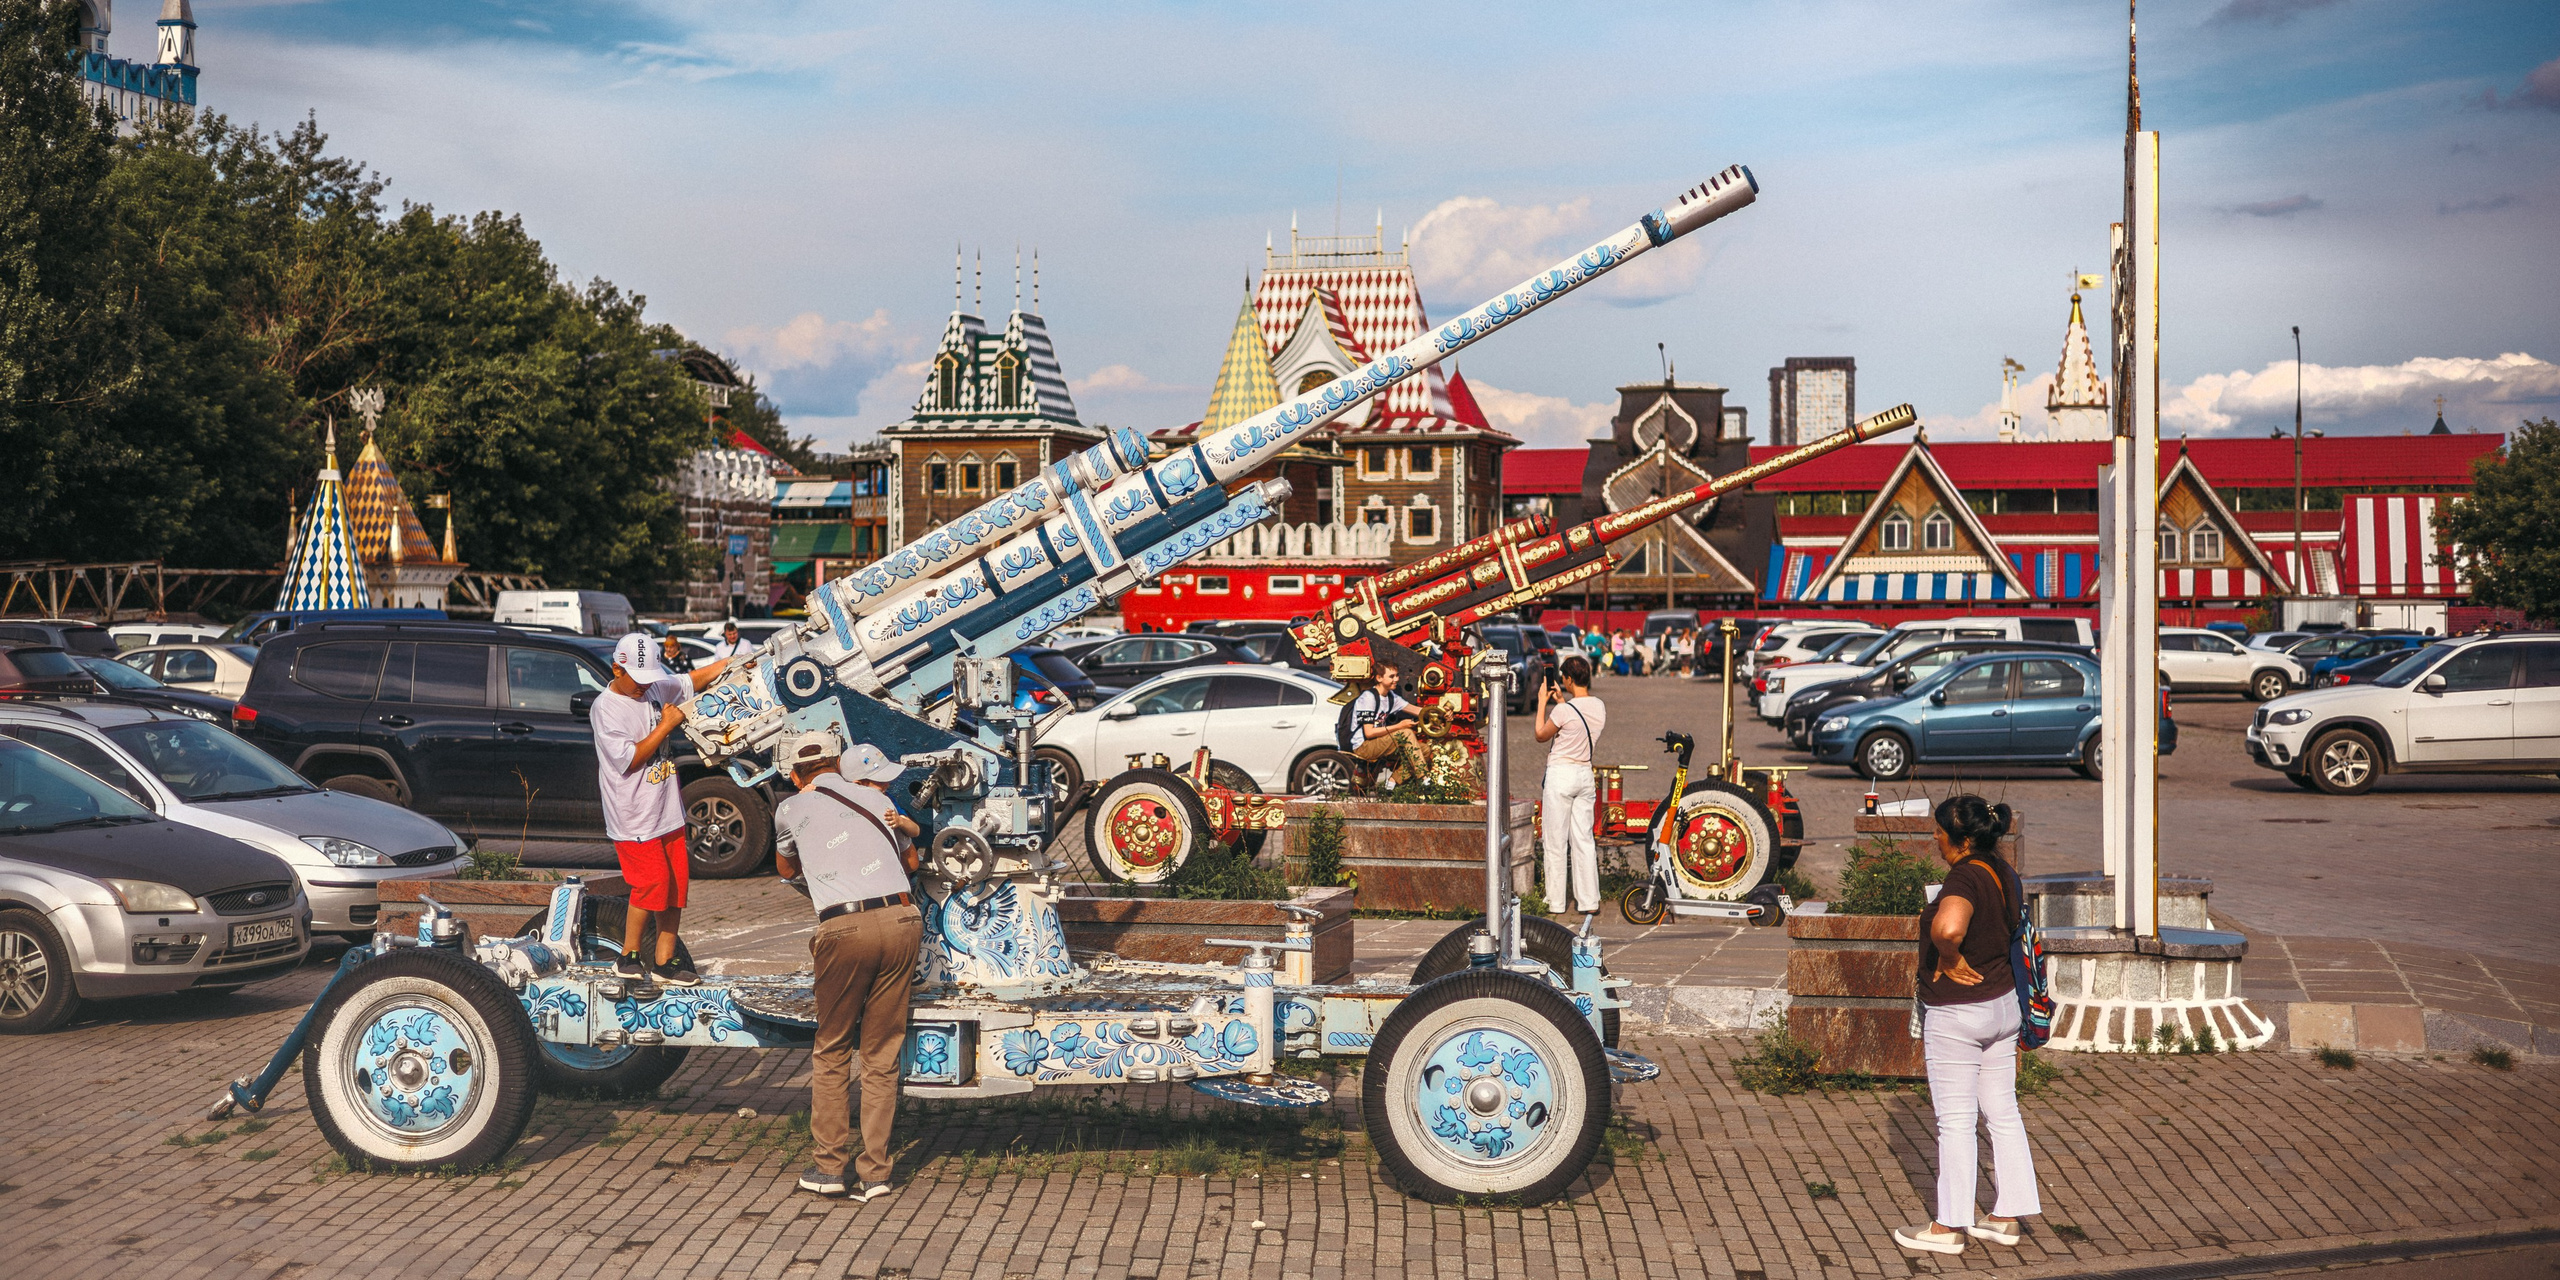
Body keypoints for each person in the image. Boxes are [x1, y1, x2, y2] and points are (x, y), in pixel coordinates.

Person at [776, 737, 924, 1203]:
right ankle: (876, 1174)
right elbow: (911, 861)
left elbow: (785, 870)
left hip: (844, 929)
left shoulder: (790, 807)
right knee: (881, 1053)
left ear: (797, 774)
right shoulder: (878, 797)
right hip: (904, 920)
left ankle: (829, 1169)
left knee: (834, 1047)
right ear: (836, 765)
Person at [1893, 794, 2040, 1256]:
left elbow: (1949, 928)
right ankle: (2005, 1217)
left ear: (1960, 839)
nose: (1934, 837)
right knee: (2003, 1110)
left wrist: (1950, 956)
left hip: (1958, 1012)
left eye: (1938, 831)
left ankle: (1948, 1227)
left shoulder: (1964, 876)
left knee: (1955, 1120)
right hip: (2002, 1005)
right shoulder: (2003, 871)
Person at [591, 633, 729, 986]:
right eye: (638, 679)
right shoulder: (605, 709)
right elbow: (630, 757)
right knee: (650, 883)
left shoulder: (651, 687)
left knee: (675, 887)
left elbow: (688, 680)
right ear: (616, 669)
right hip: (633, 815)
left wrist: (734, 663)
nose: (644, 687)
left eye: (649, 679)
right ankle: (628, 955)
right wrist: (667, 724)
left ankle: (664, 960)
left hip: (666, 811)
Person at [1533, 654, 1605, 915]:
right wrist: (1563, 703)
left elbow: (1541, 735)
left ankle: (1555, 901)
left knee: (1555, 840)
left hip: (1561, 775)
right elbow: (1578, 722)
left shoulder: (1563, 711)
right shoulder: (1599, 706)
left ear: (1568, 679)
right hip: (1585, 774)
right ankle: (1589, 901)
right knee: (1584, 840)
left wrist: (1542, 703)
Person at [1339, 663, 1421, 781]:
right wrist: (1399, 726)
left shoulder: (1391, 697)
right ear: (1379, 678)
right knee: (1406, 733)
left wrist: (1444, 713)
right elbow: (1369, 733)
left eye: (1397, 676)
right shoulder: (1368, 697)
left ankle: (1392, 783)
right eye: (1392, 677)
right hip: (1363, 746)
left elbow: (1419, 711)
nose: (1396, 679)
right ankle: (1424, 779)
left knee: (1423, 750)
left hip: (1376, 742)